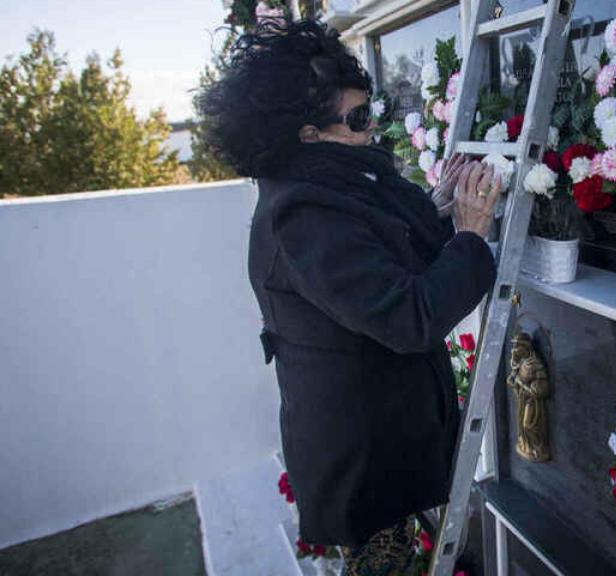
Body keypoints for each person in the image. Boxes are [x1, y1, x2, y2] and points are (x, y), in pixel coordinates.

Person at [195, 18, 503, 574]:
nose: (371, 129)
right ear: (308, 135)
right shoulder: (304, 216)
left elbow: (375, 245)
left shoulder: (320, 185)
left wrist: (432, 208)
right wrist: (472, 235)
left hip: (377, 441)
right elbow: (411, 315)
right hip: (367, 466)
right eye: (359, 119)